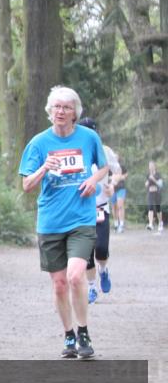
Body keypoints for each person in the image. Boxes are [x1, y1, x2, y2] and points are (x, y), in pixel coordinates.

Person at [19, 86, 108, 359]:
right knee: (59, 284)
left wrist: (93, 180)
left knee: (75, 276)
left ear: (74, 113)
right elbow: (26, 185)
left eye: (66, 107)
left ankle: (83, 332)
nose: (60, 111)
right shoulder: (38, 143)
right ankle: (69, 334)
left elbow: (104, 167)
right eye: (56, 107)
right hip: (50, 222)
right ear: (50, 111)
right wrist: (44, 167)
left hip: (81, 219)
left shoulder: (89, 138)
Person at [77, 118, 115, 303]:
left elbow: (116, 172)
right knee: (87, 253)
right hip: (81, 209)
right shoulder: (75, 152)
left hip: (101, 207)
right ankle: (92, 287)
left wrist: (112, 186)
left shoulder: (105, 151)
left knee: (101, 249)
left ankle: (103, 270)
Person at [146, 160, 164, 233]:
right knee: (150, 207)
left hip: (157, 193)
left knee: (158, 208)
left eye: (152, 166)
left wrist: (153, 179)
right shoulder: (148, 175)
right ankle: (150, 224)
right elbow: (147, 184)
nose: (150, 167)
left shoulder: (158, 174)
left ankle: (160, 223)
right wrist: (146, 183)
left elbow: (160, 184)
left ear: (154, 166)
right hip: (150, 193)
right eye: (149, 166)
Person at [112, 159, 129, 233]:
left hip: (121, 188)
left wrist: (121, 177)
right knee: (114, 207)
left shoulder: (121, 166)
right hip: (112, 189)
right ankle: (116, 225)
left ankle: (121, 225)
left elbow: (126, 174)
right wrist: (114, 178)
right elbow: (108, 176)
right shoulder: (110, 166)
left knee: (120, 206)